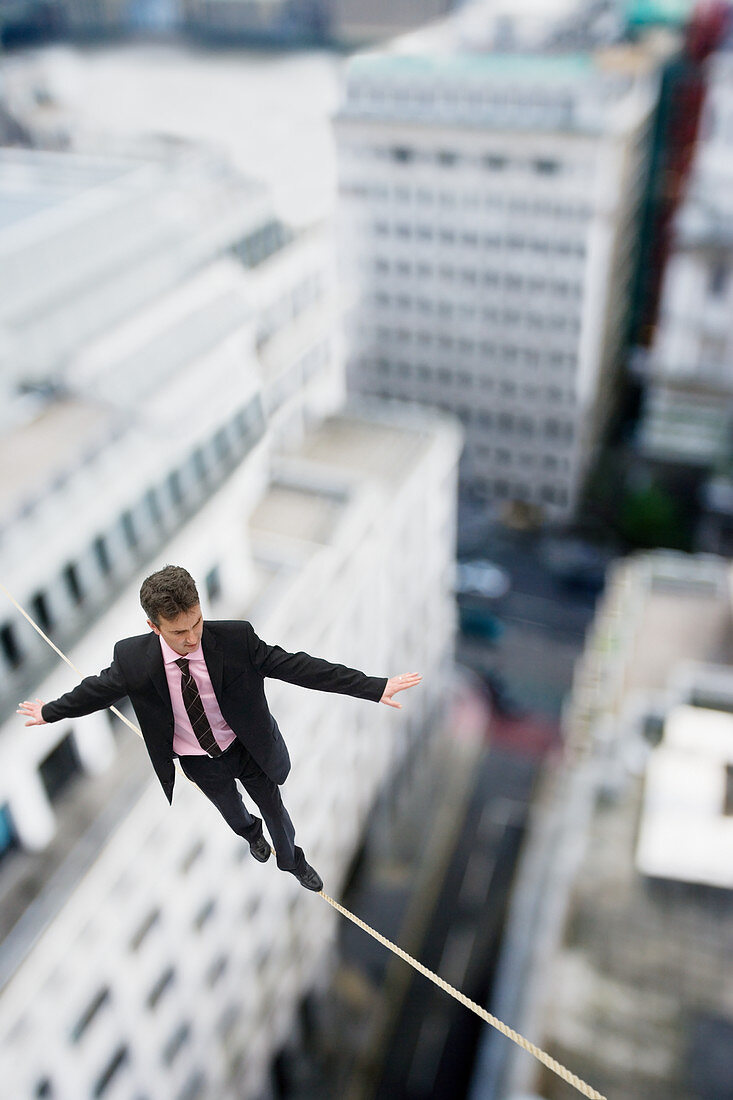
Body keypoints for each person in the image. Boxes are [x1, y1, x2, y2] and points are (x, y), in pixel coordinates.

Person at [18, 565, 421, 892]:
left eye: (196, 623)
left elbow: (301, 667)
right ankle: (250, 835)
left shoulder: (236, 639)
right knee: (232, 813)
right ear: (153, 626)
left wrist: (374, 687)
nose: (192, 637)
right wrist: (50, 712)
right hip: (198, 759)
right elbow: (96, 691)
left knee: (275, 810)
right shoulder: (133, 660)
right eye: (179, 631)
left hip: (247, 747)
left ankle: (292, 861)